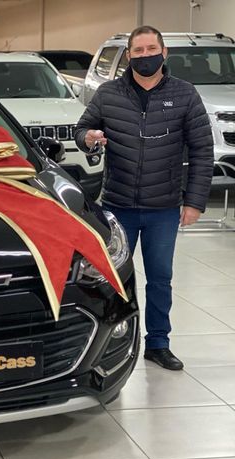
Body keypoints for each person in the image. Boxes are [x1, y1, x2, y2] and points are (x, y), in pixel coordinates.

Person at [75, 26, 214, 370]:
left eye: (151, 49)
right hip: (117, 205)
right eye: (138, 51)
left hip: (163, 207)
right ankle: (107, 344)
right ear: (128, 56)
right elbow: (81, 130)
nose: (145, 56)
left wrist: (194, 202)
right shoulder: (109, 93)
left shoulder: (184, 94)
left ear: (164, 53)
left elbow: (202, 151)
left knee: (160, 278)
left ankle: (158, 343)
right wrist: (88, 138)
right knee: (110, 279)